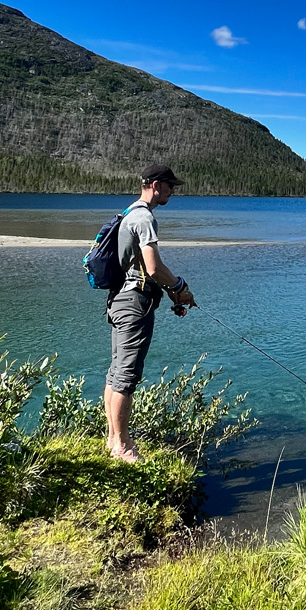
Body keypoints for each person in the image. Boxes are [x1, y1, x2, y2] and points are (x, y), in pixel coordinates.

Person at [103, 162, 198, 463]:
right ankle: (122, 446)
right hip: (134, 305)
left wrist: (171, 290)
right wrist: (181, 286)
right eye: (170, 186)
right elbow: (154, 267)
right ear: (156, 185)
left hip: (119, 299)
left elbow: (145, 269)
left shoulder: (129, 212)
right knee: (126, 376)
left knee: (116, 371)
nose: (172, 191)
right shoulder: (144, 218)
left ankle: (112, 439)